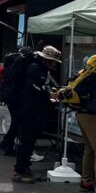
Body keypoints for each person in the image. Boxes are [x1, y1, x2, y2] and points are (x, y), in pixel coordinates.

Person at [57, 54, 96, 193]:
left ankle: (86, 180)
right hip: (92, 116)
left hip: (81, 113)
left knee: (89, 149)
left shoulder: (88, 76)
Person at [12, 45, 62, 183]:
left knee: (29, 139)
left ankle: (24, 168)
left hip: (29, 108)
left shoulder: (40, 68)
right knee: (27, 140)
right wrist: (48, 94)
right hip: (26, 109)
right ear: (47, 59)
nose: (55, 64)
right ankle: (20, 170)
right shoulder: (36, 68)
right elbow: (33, 87)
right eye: (54, 61)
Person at [0, 46, 32, 156]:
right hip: (17, 96)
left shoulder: (11, 62)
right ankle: (7, 144)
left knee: (15, 121)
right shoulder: (22, 63)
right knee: (17, 122)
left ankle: (6, 143)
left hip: (9, 95)